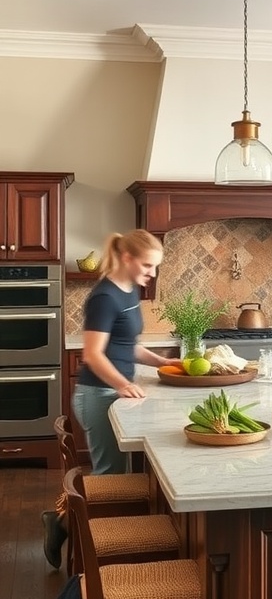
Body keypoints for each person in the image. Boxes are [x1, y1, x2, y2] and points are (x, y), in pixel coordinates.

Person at [42, 229, 171, 568]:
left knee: (122, 473)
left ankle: (113, 538)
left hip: (116, 394)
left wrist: (162, 362)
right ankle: (65, 528)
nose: (151, 274)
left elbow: (126, 345)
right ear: (127, 259)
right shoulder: (104, 297)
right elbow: (93, 354)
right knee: (110, 476)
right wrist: (121, 384)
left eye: (155, 267)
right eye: (147, 265)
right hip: (99, 395)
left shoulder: (128, 291)